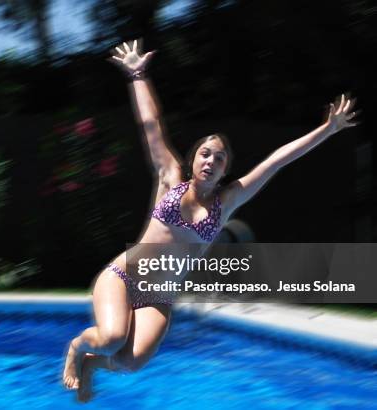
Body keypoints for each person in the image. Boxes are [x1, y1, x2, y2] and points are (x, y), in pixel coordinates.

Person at [62, 39, 358, 402]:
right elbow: (151, 125)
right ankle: (78, 349)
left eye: (219, 159)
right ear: (193, 160)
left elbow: (277, 161)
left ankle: (93, 366)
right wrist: (137, 73)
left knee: (130, 362)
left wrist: (327, 130)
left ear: (224, 170)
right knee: (111, 338)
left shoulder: (227, 201)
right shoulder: (170, 177)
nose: (210, 161)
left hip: (159, 297)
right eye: (205, 154)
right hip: (124, 277)